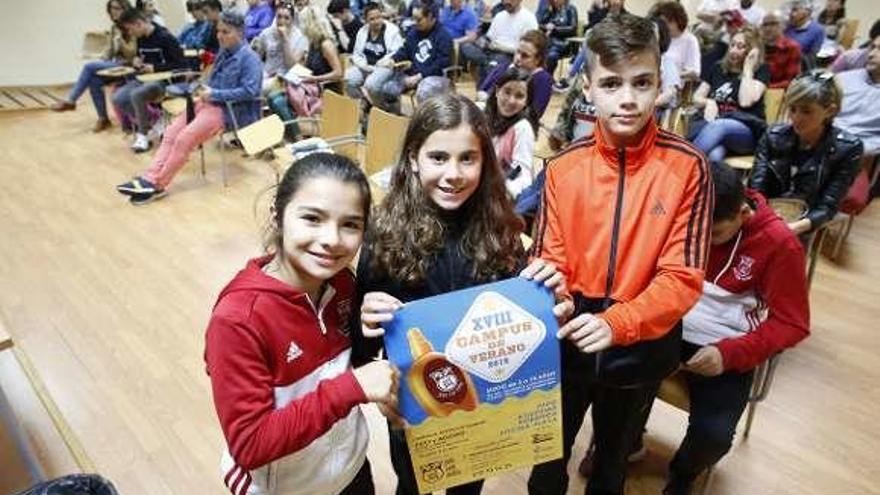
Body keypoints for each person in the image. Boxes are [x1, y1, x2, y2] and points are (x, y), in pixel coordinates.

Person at [527, 14, 712, 495]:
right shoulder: (563, 167)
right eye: (611, 83)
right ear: (587, 88)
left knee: (611, 463)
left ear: (660, 83)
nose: (627, 98)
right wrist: (556, 292)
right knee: (546, 461)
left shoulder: (688, 166)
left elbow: (682, 277)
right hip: (569, 334)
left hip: (642, 340)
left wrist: (619, 323)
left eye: (641, 82)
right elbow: (549, 258)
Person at [353, 92, 572, 495]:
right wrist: (367, 320)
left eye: (467, 159)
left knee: (468, 489)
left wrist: (552, 307)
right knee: (411, 484)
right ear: (413, 160)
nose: (453, 173)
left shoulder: (503, 230)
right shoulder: (384, 234)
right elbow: (360, 351)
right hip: (410, 404)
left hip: (479, 406)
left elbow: (522, 325)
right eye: (438, 158)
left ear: (484, 162)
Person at [205, 152, 399, 495]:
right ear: (277, 216)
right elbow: (250, 445)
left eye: (350, 224)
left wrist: (380, 385)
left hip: (350, 468)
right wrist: (353, 387)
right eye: (312, 218)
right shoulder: (238, 319)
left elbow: (336, 368)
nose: (332, 239)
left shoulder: (342, 285)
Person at [662, 162, 810, 495]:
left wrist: (729, 354)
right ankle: (623, 443)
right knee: (613, 379)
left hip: (727, 347)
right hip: (666, 326)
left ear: (743, 214)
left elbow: (793, 324)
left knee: (713, 436)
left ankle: (683, 473)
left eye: (714, 234)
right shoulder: (686, 213)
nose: (703, 241)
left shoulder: (779, 243)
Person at [114, 11, 263, 204]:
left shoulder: (249, 59)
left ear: (240, 33)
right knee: (170, 133)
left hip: (229, 111)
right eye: (218, 31)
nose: (220, 36)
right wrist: (201, 87)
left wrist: (215, 94)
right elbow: (212, 81)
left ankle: (157, 184)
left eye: (226, 32)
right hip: (206, 103)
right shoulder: (223, 52)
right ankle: (148, 178)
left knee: (184, 140)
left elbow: (250, 92)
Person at [750, 70, 863, 234]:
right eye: (792, 108)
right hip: (767, 214)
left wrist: (790, 229)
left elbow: (828, 206)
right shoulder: (773, 135)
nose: (795, 117)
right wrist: (762, 218)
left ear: (830, 111)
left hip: (805, 221)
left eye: (806, 111)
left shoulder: (849, 148)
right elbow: (756, 189)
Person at [50, 0, 136, 133]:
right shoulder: (114, 28)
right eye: (111, 9)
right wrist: (102, 60)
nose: (113, 12)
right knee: (94, 80)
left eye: (117, 8)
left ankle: (71, 100)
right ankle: (103, 118)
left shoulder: (133, 25)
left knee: (89, 67)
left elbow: (133, 53)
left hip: (131, 66)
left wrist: (120, 42)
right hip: (118, 65)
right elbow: (109, 51)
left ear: (126, 9)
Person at [690, 25, 770, 162]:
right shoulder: (717, 68)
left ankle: (681, 167)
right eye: (732, 45)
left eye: (741, 47)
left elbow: (745, 101)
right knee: (714, 154)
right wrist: (709, 102)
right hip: (714, 130)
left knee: (720, 125)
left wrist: (748, 69)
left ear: (752, 51)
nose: (733, 50)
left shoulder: (760, 70)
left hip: (746, 132)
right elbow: (696, 97)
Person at [112, 8, 187, 152]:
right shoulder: (141, 38)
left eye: (130, 29)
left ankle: (143, 135)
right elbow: (143, 59)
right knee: (118, 98)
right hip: (146, 79)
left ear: (139, 24)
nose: (130, 34)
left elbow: (181, 65)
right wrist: (137, 61)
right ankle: (155, 121)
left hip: (166, 81)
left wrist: (155, 68)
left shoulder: (166, 37)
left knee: (137, 94)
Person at [365, 0, 453, 114]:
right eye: (413, 19)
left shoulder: (443, 36)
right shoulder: (414, 32)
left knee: (424, 91)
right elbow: (404, 51)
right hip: (413, 75)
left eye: (419, 19)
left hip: (434, 76)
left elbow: (442, 62)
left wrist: (420, 76)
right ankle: (393, 118)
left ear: (430, 17)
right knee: (388, 89)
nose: (415, 22)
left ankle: (424, 122)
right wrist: (393, 59)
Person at [485, 66, 538, 199]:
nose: (511, 100)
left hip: (497, 197)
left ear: (526, 102)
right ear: (497, 91)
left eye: (519, 96)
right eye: (507, 92)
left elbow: (524, 178)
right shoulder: (482, 115)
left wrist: (501, 190)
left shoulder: (522, 129)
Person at [459, 0, 537, 85]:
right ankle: (487, 63)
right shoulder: (500, 16)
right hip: (491, 50)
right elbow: (490, 37)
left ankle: (486, 87)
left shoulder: (529, 18)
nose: (506, 2)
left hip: (510, 54)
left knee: (493, 63)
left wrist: (501, 47)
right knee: (466, 46)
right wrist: (481, 41)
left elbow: (528, 50)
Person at [477, 30, 553, 119]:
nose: (518, 58)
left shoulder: (542, 80)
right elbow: (482, 90)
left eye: (525, 56)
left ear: (538, 59)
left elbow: (534, 114)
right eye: (517, 52)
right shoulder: (504, 66)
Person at [554, 0, 626, 91]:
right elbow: (593, 25)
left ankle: (570, 76)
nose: (616, 2)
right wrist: (593, 9)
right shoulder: (603, 11)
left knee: (588, 41)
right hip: (597, 44)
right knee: (589, 41)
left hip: (612, 46)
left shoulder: (625, 16)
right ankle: (575, 77)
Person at [345, 2, 404, 100]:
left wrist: (378, 66)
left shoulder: (392, 31)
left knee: (371, 84)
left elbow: (397, 52)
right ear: (365, 20)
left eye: (379, 17)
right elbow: (357, 54)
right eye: (372, 19)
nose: (376, 21)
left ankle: (380, 109)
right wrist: (363, 65)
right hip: (366, 66)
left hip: (384, 66)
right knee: (349, 77)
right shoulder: (362, 31)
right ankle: (364, 101)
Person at [834, 35, 880, 157]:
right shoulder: (843, 78)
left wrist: (856, 149)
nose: (871, 54)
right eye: (873, 47)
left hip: (858, 156)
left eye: (879, 49)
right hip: (819, 141)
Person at [254, 2, 308, 90]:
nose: (282, 21)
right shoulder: (266, 33)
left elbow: (292, 66)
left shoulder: (300, 38)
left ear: (292, 20)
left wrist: (285, 40)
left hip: (286, 78)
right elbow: (257, 58)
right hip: (267, 74)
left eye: (286, 18)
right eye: (279, 17)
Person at [651, 1, 701, 80]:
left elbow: (694, 72)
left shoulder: (690, 40)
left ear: (679, 21)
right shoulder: (657, 36)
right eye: (663, 23)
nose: (665, 26)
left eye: (669, 22)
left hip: (673, 84)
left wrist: (671, 75)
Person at [760, 10, 802, 89]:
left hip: (780, 94)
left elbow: (792, 81)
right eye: (765, 25)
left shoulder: (792, 47)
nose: (768, 28)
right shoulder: (758, 47)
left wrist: (765, 88)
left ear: (783, 26)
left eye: (773, 24)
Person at [537, 0, 577, 78]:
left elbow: (573, 28)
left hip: (563, 43)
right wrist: (547, 15)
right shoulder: (551, 10)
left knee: (552, 55)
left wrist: (555, 29)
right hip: (548, 41)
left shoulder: (570, 9)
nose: (555, 1)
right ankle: (539, 77)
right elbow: (539, 24)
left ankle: (547, 77)